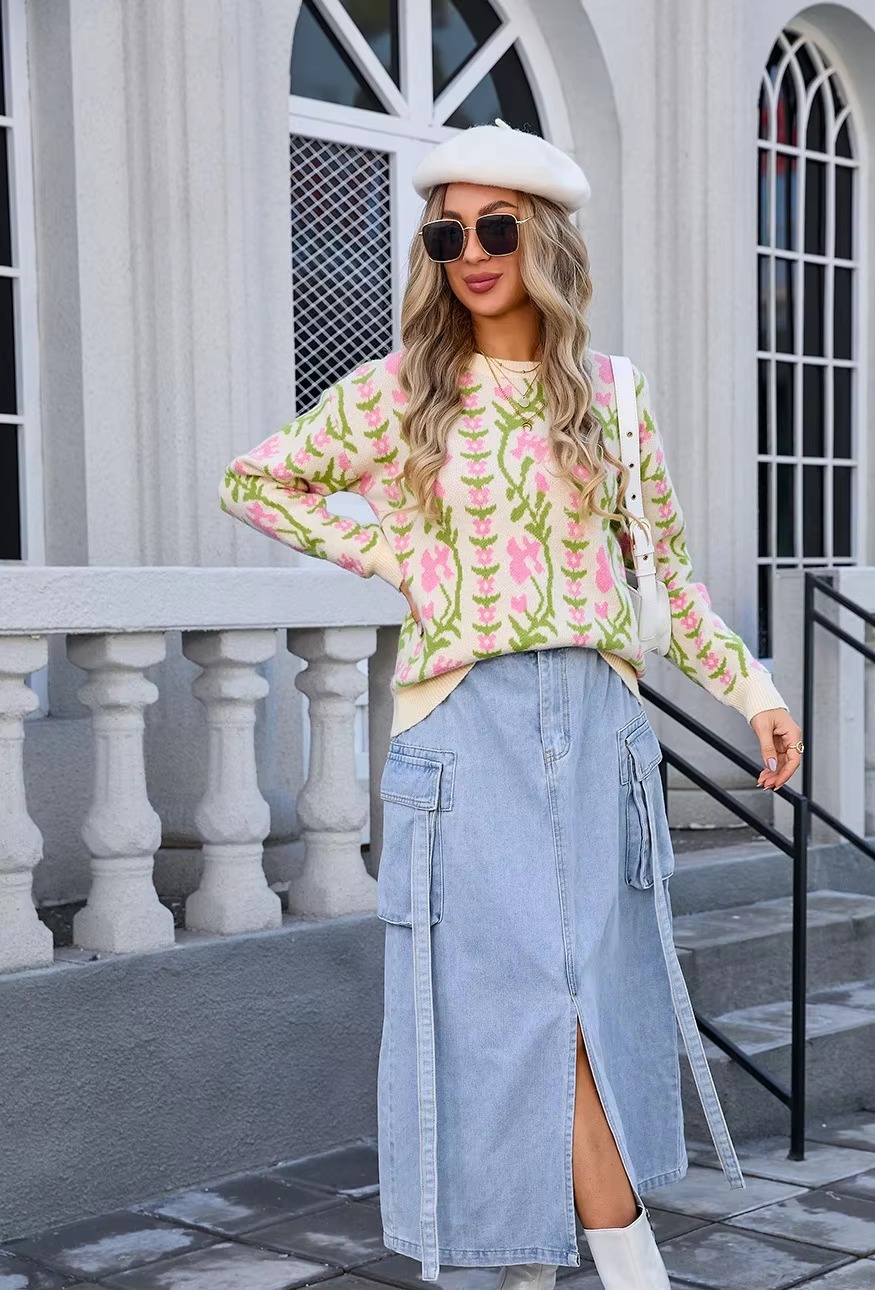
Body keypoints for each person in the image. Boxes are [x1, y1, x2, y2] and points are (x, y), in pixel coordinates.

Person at [218, 119, 804, 1290]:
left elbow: (667, 577)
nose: (472, 254)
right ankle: (630, 1273)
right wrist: (400, 553)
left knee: (590, 1003)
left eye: (496, 228)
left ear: (543, 239)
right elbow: (257, 480)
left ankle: (540, 1270)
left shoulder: (612, 398)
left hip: (597, 728)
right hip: (465, 732)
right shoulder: (402, 392)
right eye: (447, 235)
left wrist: (753, 690)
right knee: (518, 1013)